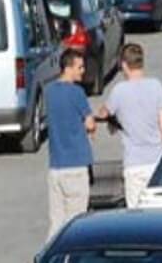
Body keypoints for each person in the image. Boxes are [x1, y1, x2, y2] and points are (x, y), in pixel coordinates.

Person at [95, 44, 162, 209]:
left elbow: (104, 113)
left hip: (134, 162)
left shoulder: (119, 91)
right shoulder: (156, 86)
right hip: (156, 159)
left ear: (123, 65)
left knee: (135, 214)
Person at [46, 49, 96, 240]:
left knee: (56, 223)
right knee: (76, 224)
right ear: (68, 68)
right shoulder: (77, 93)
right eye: (79, 67)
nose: (82, 71)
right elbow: (89, 123)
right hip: (75, 165)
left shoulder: (50, 92)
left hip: (56, 166)